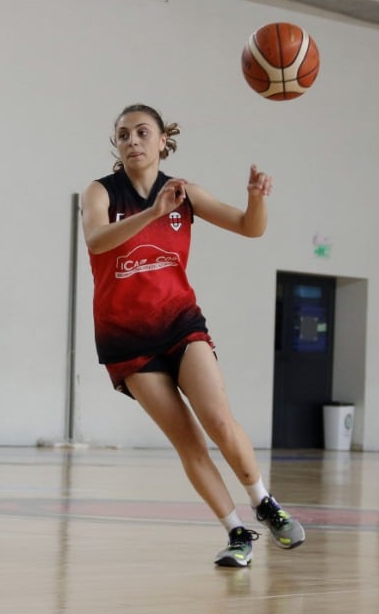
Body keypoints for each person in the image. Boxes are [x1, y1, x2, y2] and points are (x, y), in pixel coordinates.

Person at [80, 103, 304, 568]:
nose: (133, 141)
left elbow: (249, 227)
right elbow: (96, 240)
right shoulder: (101, 192)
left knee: (219, 421)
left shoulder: (185, 193)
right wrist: (151, 214)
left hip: (180, 322)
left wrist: (257, 198)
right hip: (125, 338)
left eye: (143, 132)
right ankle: (235, 532)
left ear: (164, 141)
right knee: (189, 443)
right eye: (123, 135)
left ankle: (264, 501)